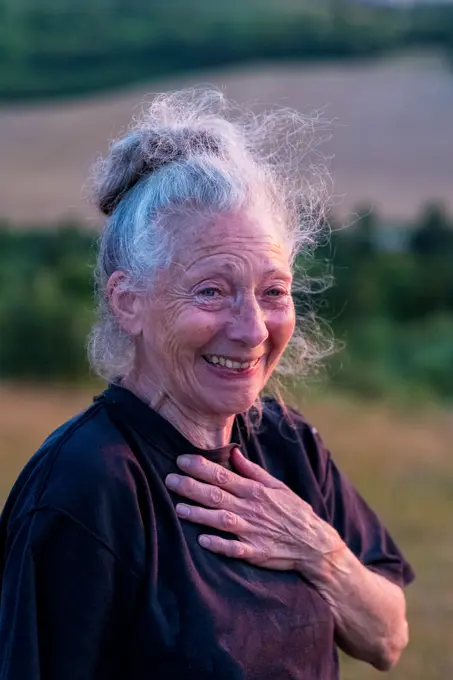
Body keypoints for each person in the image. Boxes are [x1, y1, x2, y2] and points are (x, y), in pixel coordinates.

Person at [0, 89, 414, 680]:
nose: (251, 330)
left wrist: (317, 551)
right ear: (129, 302)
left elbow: (388, 637)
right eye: (211, 291)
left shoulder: (288, 446)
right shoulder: (88, 486)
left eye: (273, 292)